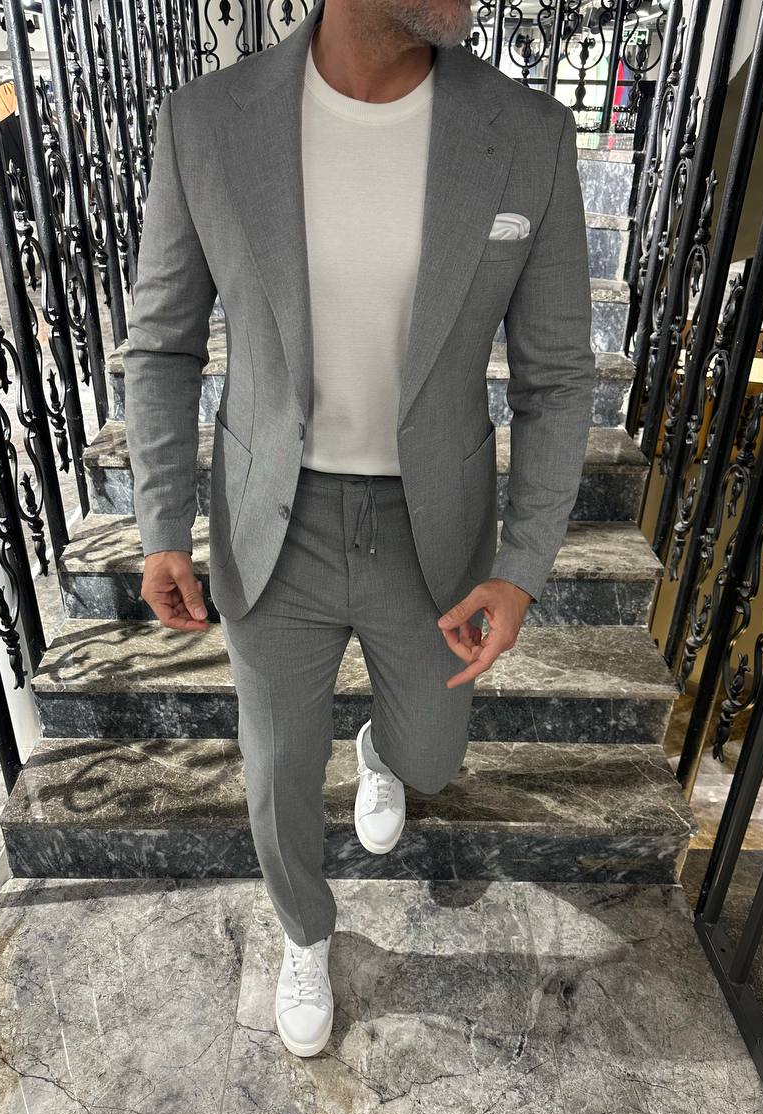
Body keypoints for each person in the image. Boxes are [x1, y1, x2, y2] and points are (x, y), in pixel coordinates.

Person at [123, 0, 595, 1058]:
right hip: (271, 521)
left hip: (434, 528)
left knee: (432, 757)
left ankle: (381, 744)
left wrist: (524, 564)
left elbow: (559, 378)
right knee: (278, 769)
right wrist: (161, 525)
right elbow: (160, 345)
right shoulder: (208, 121)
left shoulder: (527, 135)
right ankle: (304, 931)